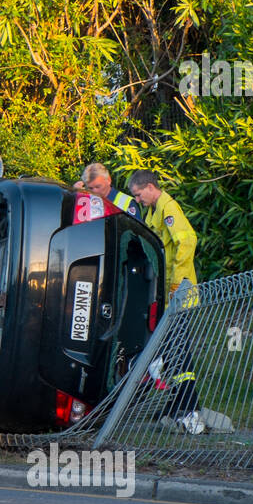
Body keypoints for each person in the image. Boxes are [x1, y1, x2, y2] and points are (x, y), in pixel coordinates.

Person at [128, 169, 203, 433]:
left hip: (178, 294)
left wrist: (176, 284)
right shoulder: (153, 212)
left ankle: (190, 405)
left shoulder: (168, 209)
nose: (138, 200)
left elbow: (187, 242)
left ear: (150, 187)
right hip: (167, 294)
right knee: (171, 350)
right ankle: (178, 400)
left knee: (178, 350)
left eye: (138, 195)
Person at [74, 162, 140, 219]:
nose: (94, 191)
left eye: (98, 187)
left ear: (108, 180)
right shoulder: (83, 200)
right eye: (90, 188)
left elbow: (136, 231)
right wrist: (74, 196)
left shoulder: (127, 203)